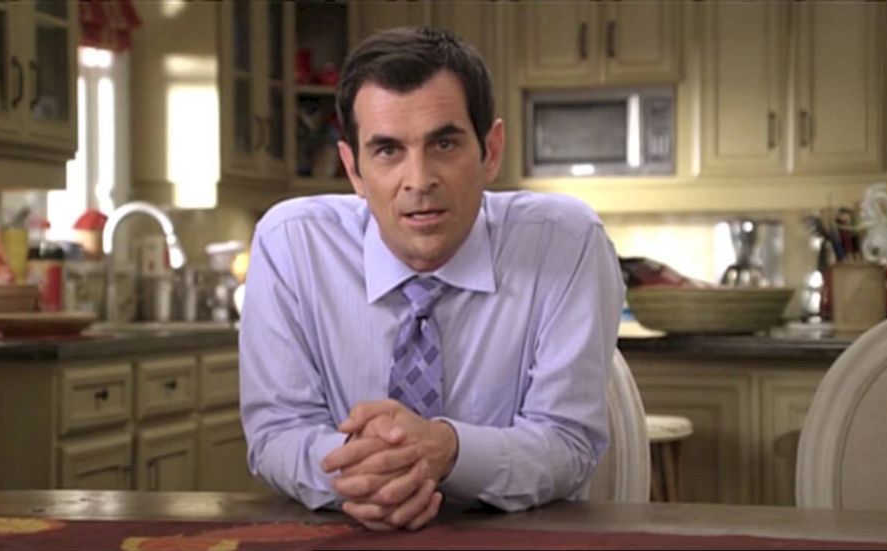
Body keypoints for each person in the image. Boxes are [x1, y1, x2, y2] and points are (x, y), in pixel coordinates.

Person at [239, 27, 625, 531]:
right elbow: (276, 433)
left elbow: (568, 443)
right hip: (351, 531)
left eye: (443, 144)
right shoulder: (291, 243)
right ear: (353, 170)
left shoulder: (566, 241)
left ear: (490, 151)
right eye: (387, 150)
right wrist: (375, 478)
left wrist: (449, 450)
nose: (419, 181)